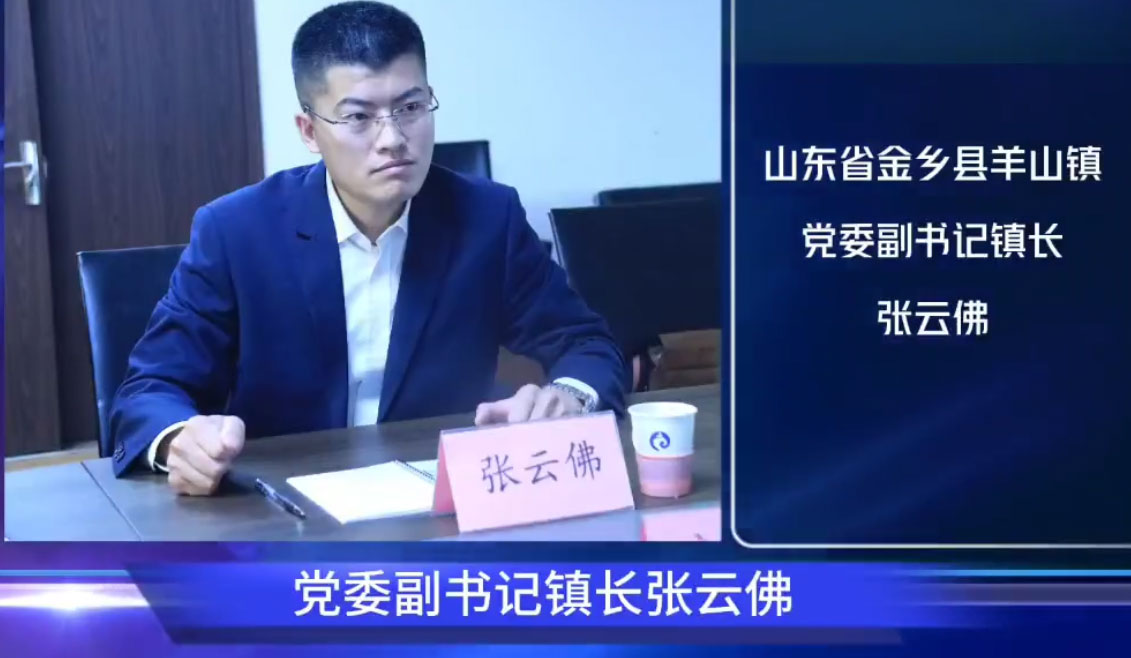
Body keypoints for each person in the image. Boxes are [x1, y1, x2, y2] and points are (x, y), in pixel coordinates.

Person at [109, 1, 626, 494]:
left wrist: (569, 397)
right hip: (284, 506)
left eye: (411, 108)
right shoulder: (236, 232)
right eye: (358, 117)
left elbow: (586, 343)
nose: (393, 139)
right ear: (309, 131)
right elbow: (150, 389)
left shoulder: (487, 218)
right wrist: (180, 441)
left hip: (441, 499)